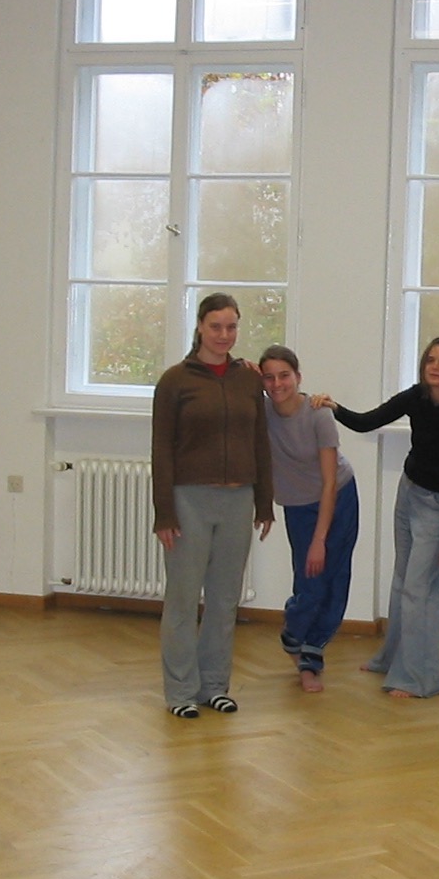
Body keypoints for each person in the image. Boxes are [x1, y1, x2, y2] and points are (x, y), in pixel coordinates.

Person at [312, 337, 439, 698]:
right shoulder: (417, 397)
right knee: (402, 581)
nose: (436, 366)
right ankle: (391, 658)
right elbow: (368, 422)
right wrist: (333, 407)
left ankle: (419, 679)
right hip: (409, 492)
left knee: (419, 590)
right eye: (431, 359)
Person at [151, 293, 274, 719]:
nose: (225, 335)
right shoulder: (175, 381)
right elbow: (161, 450)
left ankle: (214, 685)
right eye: (217, 326)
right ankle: (181, 691)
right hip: (189, 500)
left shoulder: (248, 380)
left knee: (225, 600)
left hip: (239, 500)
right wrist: (164, 513)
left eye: (232, 327)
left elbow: (260, 441)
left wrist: (264, 502)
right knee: (184, 599)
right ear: (200, 326)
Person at [260, 345, 360, 693]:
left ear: (298, 377)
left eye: (284, 375)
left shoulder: (318, 414)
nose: (277, 384)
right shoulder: (262, 411)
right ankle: (293, 633)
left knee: (334, 579)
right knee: (311, 583)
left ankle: (311, 657)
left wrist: (321, 539)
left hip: (339, 496)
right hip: (299, 506)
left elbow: (330, 482)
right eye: (268, 377)